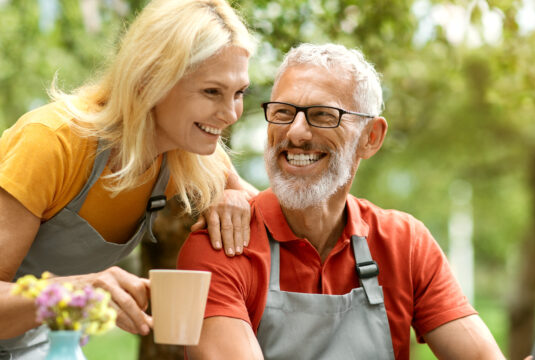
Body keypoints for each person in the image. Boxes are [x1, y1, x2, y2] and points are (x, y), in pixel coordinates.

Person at [0, 0, 257, 358]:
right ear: (151, 78)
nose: (230, 113)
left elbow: (261, 208)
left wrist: (234, 196)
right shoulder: (55, 141)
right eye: (212, 92)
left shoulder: (191, 150)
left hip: (23, 334)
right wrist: (80, 288)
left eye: (238, 92)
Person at [178, 43, 506, 359]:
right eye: (282, 112)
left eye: (322, 115)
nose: (296, 132)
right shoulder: (223, 245)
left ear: (371, 137)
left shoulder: (404, 243)